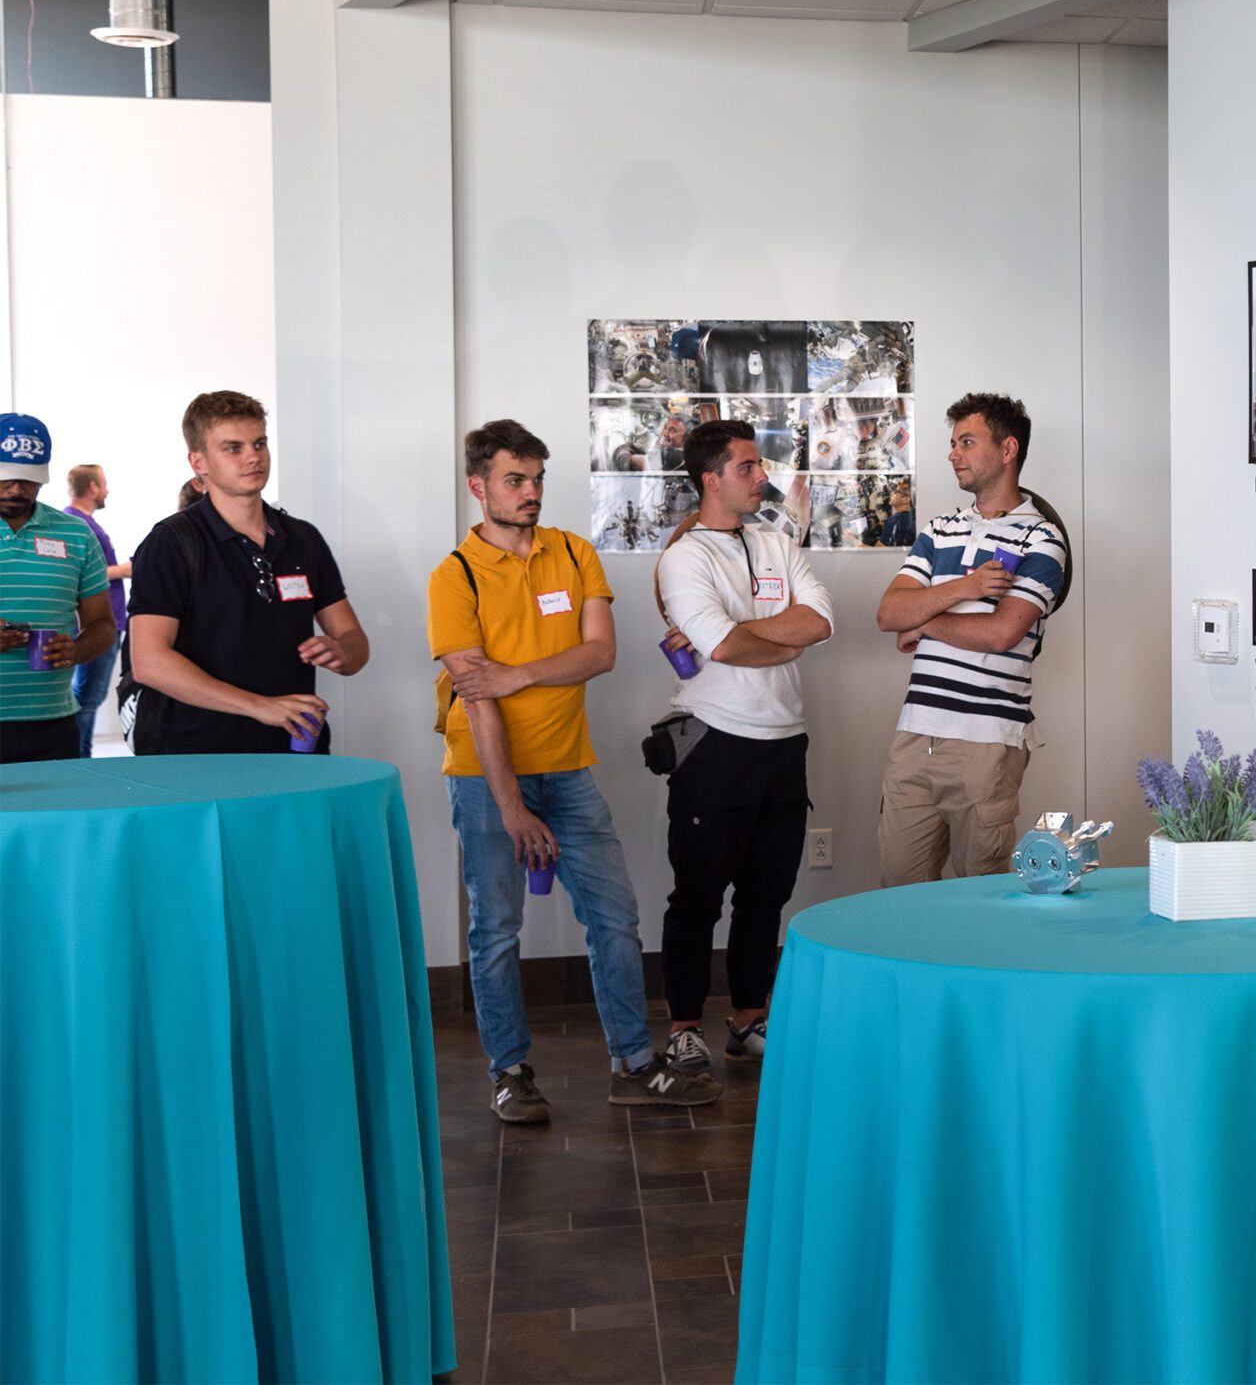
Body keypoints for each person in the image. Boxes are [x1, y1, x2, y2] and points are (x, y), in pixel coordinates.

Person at [431, 419, 716, 1119]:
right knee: (496, 929)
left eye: (537, 479)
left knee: (615, 918)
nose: (531, 493)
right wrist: (510, 806)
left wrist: (514, 674)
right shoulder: (455, 575)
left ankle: (634, 1061)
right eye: (514, 480)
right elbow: (478, 704)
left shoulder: (572, 552)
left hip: (570, 770)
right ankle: (510, 1071)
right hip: (486, 777)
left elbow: (600, 653)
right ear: (479, 486)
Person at [656, 418, 835, 1069]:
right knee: (698, 897)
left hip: (785, 746)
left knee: (767, 895)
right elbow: (720, 644)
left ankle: (747, 1017)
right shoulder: (686, 556)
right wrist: (769, 634)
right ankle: (682, 1024)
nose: (763, 477)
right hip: (714, 748)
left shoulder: (775, 544)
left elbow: (821, 619)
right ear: (711, 478)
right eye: (747, 467)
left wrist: (749, 631)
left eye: (760, 465)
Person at [874, 393, 1068, 888]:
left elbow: (1002, 633)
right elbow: (888, 612)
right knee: (899, 893)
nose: (953, 454)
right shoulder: (939, 530)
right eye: (952, 443)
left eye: (966, 441)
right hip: (915, 737)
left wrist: (923, 621)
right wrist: (964, 588)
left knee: (980, 898)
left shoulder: (1042, 539)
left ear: (1007, 450)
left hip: (987, 744)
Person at [128, 391, 369, 754]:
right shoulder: (171, 542)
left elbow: (354, 641)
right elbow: (149, 663)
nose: (253, 456)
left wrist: (342, 652)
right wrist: (260, 707)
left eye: (259, 443)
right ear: (199, 462)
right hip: (195, 754)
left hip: (293, 748)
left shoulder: (302, 538)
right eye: (233, 448)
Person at [0, 415, 116, 764]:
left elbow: (103, 625)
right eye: (7, 477)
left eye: (30, 480)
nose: (17, 489)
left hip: (53, 724)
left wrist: (75, 651)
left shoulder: (76, 534)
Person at [59, 463, 131, 756]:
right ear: (92, 488)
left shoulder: (84, 523)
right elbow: (85, 575)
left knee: (90, 697)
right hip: (96, 624)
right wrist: (125, 569)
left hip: (109, 621)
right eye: (103, 484)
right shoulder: (76, 525)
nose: (107, 490)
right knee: (87, 698)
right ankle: (80, 759)